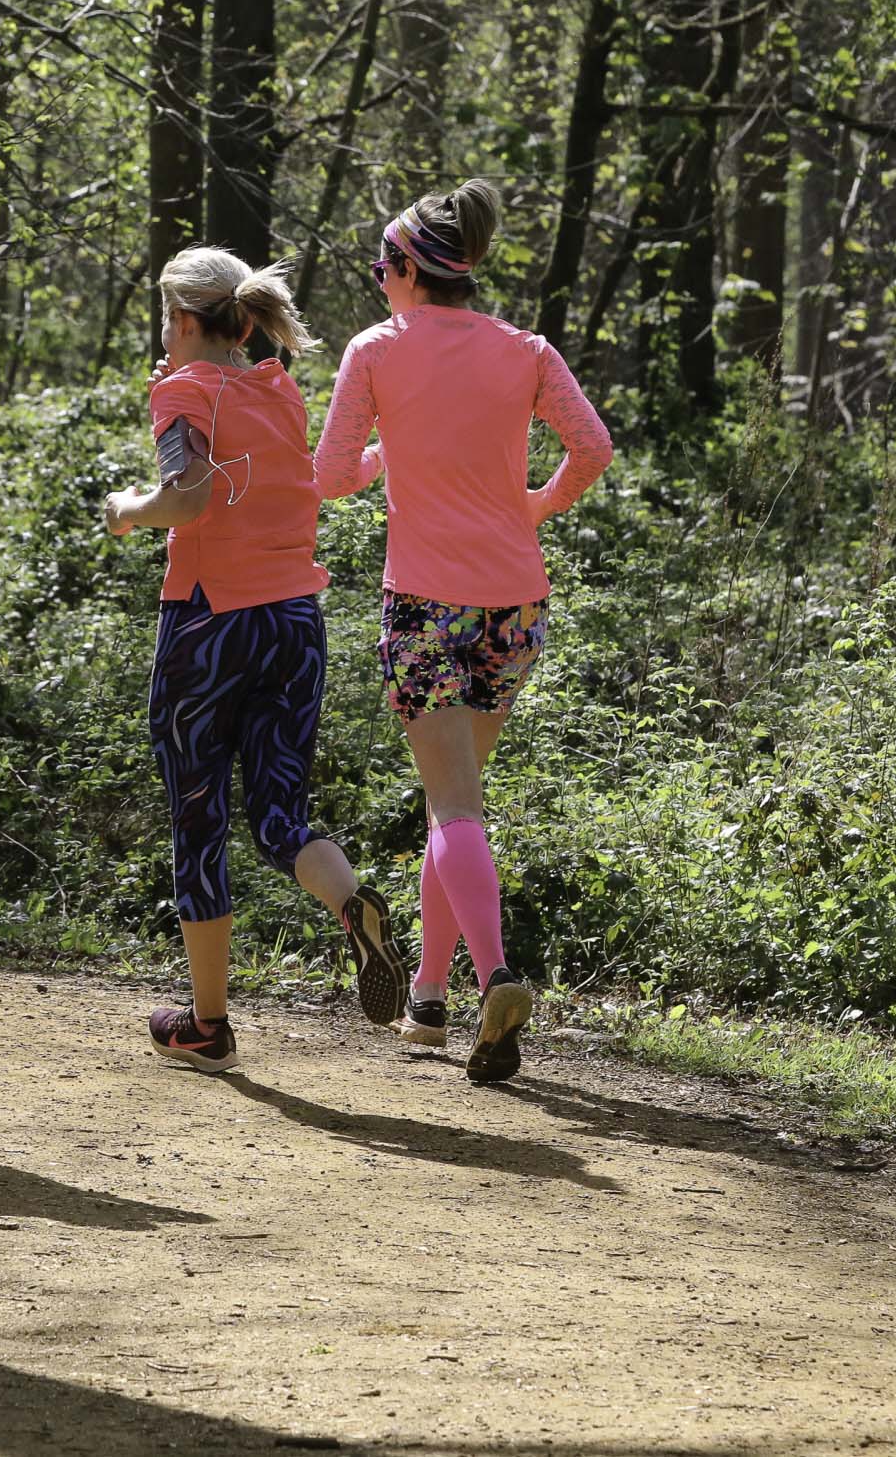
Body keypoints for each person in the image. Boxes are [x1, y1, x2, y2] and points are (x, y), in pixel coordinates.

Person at [314, 180, 612, 1084]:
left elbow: (330, 476)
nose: (379, 284)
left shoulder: (375, 351)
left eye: (381, 269)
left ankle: (496, 976)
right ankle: (429, 999)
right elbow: (591, 448)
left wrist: (385, 453)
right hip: (516, 604)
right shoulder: (526, 350)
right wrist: (535, 504)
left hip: (425, 603)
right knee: (459, 800)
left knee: (453, 806)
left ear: (407, 268)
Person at [105, 246, 407, 1073]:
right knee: (280, 816)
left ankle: (207, 1025)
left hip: (208, 625)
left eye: (166, 321)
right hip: (294, 621)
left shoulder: (183, 390)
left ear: (182, 320)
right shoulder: (278, 389)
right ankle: (352, 903)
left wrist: (131, 511)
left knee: (199, 818)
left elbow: (191, 492)